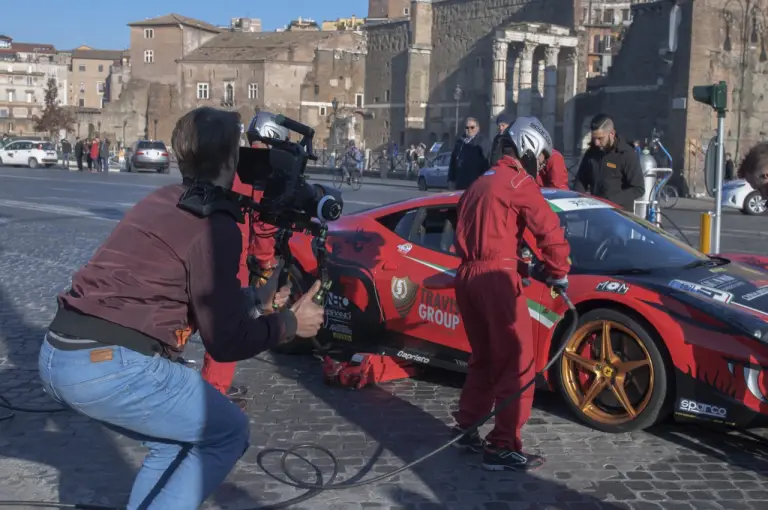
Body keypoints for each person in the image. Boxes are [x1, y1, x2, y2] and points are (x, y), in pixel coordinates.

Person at [37, 106, 325, 509]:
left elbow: (182, 287)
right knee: (228, 431)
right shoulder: (215, 223)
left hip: (59, 353)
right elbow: (225, 343)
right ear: (231, 160)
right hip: (108, 364)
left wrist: (257, 302)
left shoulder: (163, 198)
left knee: (175, 445)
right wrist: (290, 323)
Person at [450, 116, 571, 472]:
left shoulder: (479, 182)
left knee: (484, 359)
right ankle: (502, 444)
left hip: (468, 276)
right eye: (543, 157)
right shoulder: (518, 181)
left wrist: (525, 265)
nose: (543, 165)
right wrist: (559, 272)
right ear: (531, 149)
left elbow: (490, 234)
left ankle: (467, 427)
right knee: (517, 362)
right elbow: (548, 231)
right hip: (496, 280)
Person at [199, 112, 285, 409]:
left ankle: (206, 384)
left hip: (206, 242)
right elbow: (263, 224)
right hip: (233, 253)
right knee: (229, 320)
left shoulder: (228, 160)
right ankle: (215, 389)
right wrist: (266, 264)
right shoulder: (261, 171)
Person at [572, 114, 644, 211]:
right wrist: (579, 200)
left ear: (612, 134)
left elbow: (638, 189)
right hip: (595, 211)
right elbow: (580, 180)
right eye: (594, 138)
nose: (597, 143)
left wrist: (611, 200)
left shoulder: (626, 154)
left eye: (600, 138)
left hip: (619, 214)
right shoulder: (591, 153)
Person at [448, 117, 491, 190]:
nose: (469, 130)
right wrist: (451, 180)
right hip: (460, 183)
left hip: (476, 183)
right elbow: (453, 163)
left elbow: (487, 163)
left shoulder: (484, 142)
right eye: (467, 128)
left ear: (477, 128)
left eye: (472, 127)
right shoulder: (459, 143)